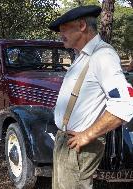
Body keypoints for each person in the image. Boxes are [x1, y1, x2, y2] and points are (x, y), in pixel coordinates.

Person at [48, 5, 133, 189]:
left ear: (82, 26)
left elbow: (124, 105)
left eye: (64, 30)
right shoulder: (82, 56)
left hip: (80, 148)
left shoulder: (103, 56)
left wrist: (88, 135)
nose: (60, 35)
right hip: (67, 143)